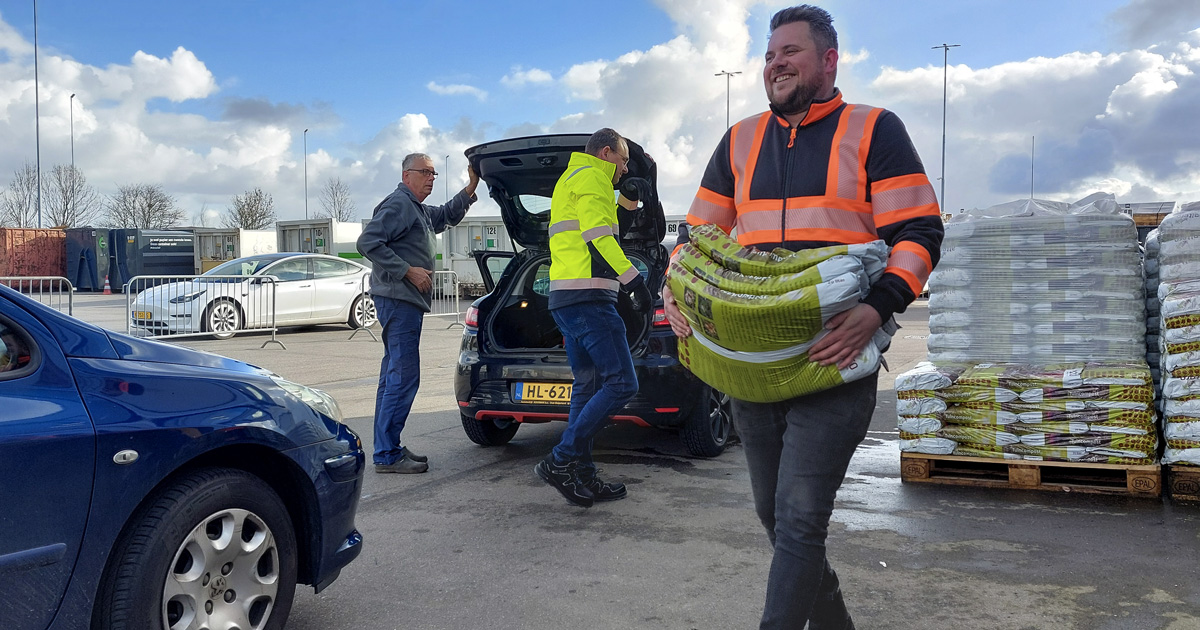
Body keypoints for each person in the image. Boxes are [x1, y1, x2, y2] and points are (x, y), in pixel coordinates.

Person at [664, 6, 944, 628]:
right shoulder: (739, 140)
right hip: (755, 362)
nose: (775, 64)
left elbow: (920, 229)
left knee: (798, 516)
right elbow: (698, 239)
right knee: (774, 515)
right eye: (769, 55)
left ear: (828, 61)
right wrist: (672, 288)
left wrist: (878, 308)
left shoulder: (874, 128)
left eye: (790, 51)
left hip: (835, 358)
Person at [534, 128, 654, 508]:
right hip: (589, 300)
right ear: (606, 153)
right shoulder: (592, 177)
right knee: (622, 383)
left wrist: (630, 200)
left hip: (565, 300)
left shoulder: (570, 180)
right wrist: (634, 281)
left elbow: (609, 224)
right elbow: (600, 237)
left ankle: (581, 474)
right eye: (622, 160)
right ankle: (561, 459)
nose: (624, 168)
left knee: (586, 386)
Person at [358, 153, 480, 474]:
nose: (431, 178)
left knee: (393, 376)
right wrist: (407, 271)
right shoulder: (399, 204)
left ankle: (388, 447)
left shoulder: (417, 209)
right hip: (398, 300)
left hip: (403, 301)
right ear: (406, 174)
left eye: (434, 174)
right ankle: (387, 454)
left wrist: (470, 188)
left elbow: (444, 215)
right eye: (425, 172)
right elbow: (368, 241)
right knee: (403, 375)